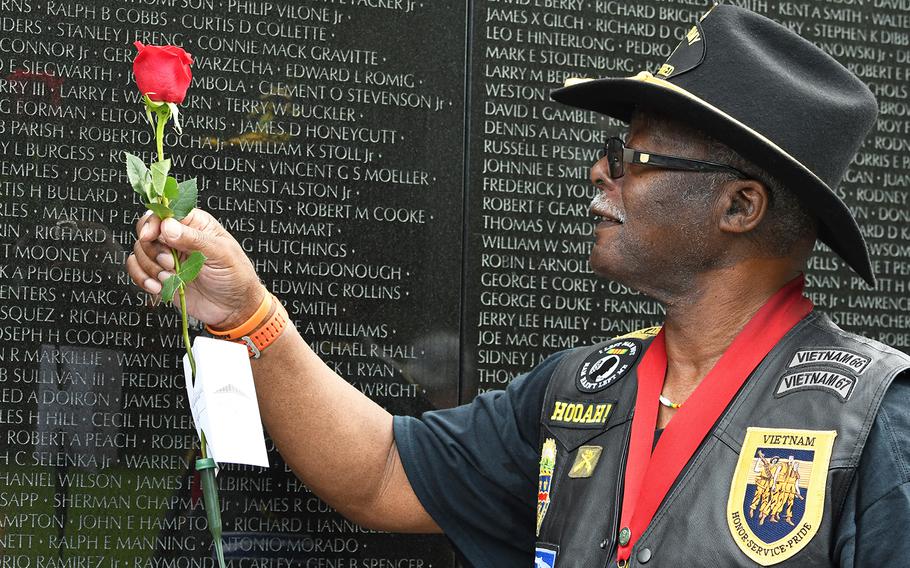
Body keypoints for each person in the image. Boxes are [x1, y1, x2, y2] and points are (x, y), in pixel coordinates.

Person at [127, 5, 910, 567]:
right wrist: (248, 313)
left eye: (633, 157)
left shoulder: (874, 422)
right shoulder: (582, 389)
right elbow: (380, 473)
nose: (601, 172)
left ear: (740, 205)